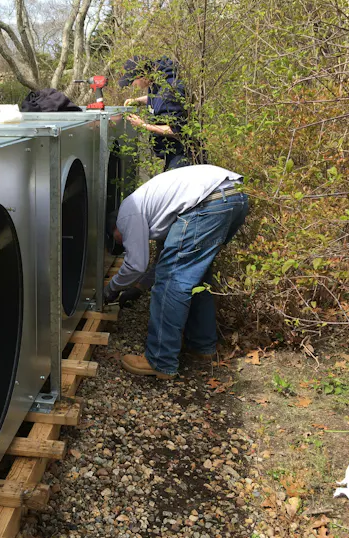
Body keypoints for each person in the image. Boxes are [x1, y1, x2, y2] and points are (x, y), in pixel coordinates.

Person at [103, 165, 249, 379]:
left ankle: (160, 361)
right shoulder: (158, 214)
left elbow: (136, 264)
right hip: (233, 196)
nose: (123, 242)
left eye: (119, 239)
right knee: (197, 276)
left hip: (208, 201)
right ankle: (202, 346)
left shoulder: (127, 213)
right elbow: (162, 259)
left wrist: (111, 289)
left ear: (115, 227)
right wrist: (138, 287)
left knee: (171, 282)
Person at [119, 56, 192, 170]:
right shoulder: (158, 82)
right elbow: (158, 98)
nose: (133, 85)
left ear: (142, 76)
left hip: (183, 156)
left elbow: (176, 130)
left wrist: (143, 125)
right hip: (171, 154)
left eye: (133, 81)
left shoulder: (170, 90)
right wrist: (137, 101)